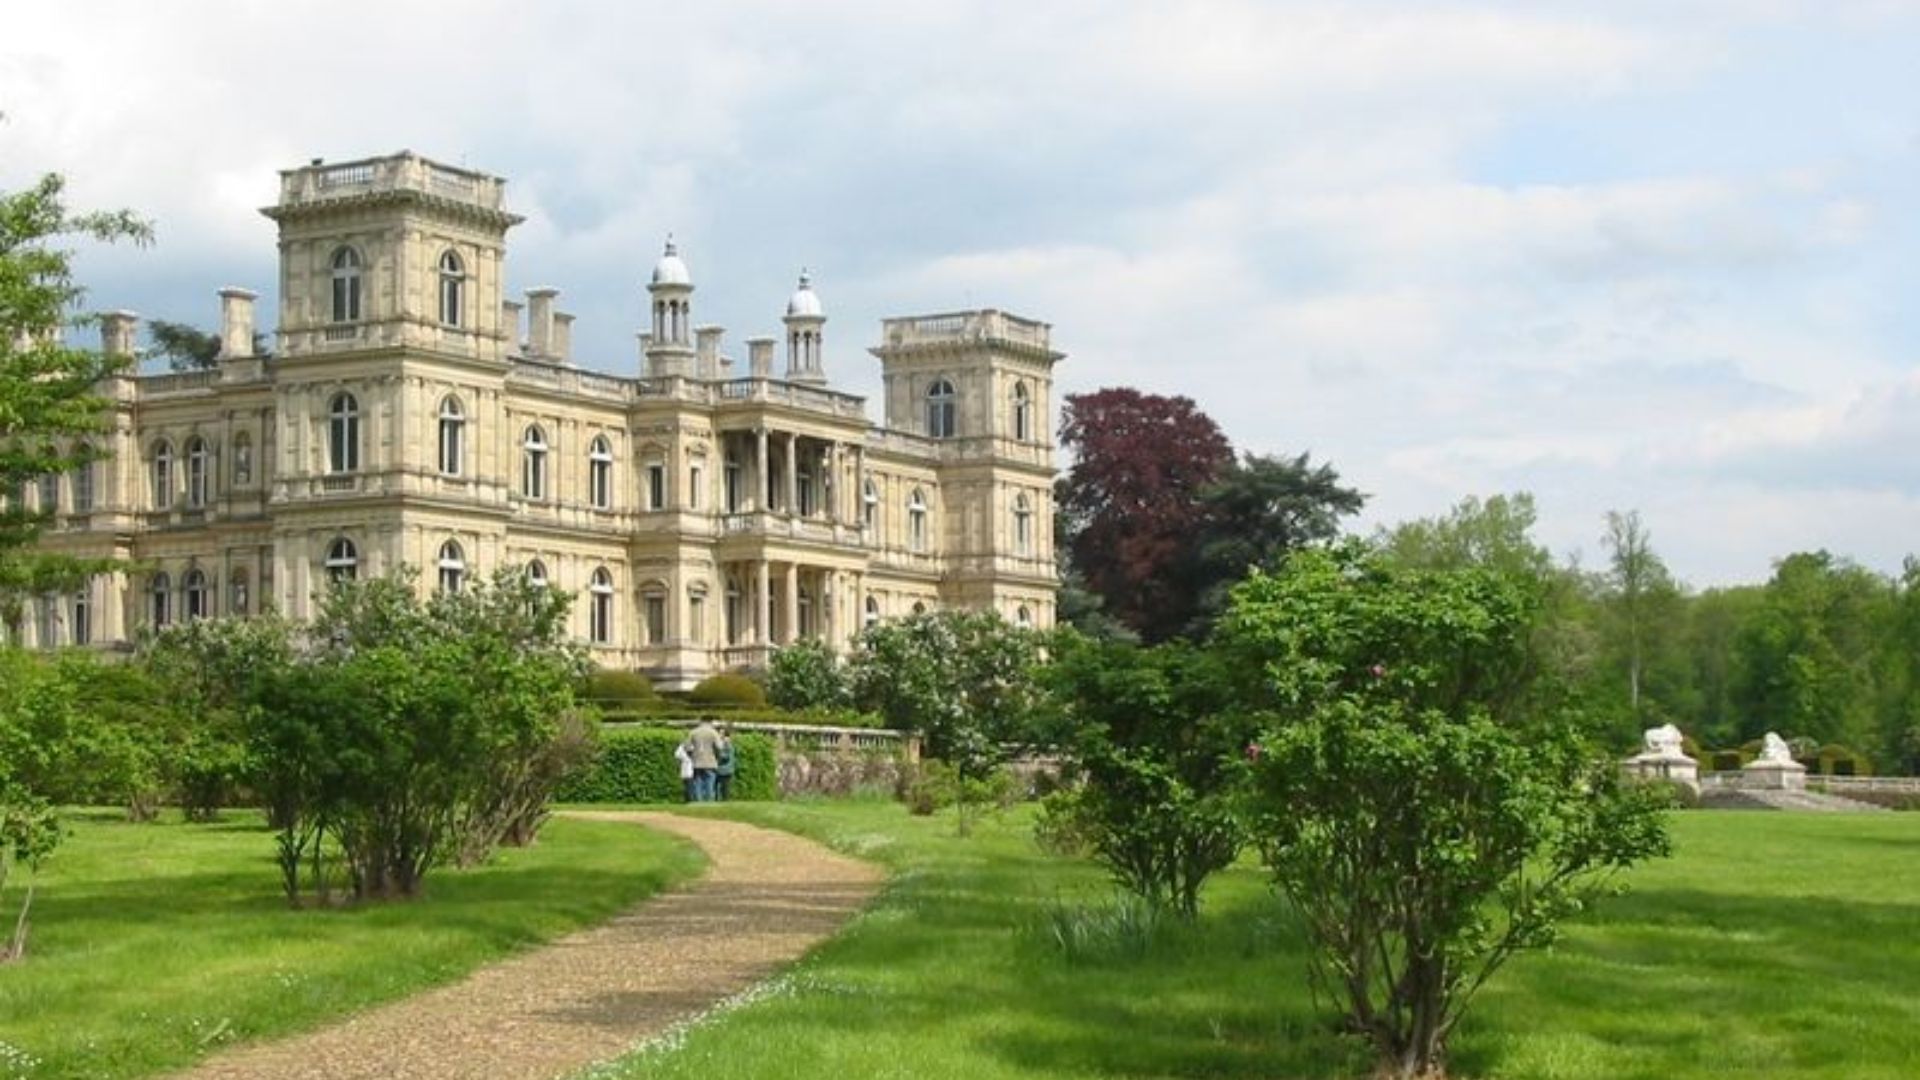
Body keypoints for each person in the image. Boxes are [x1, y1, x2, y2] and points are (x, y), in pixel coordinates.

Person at [685, 718, 722, 802]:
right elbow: (719, 747)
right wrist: (717, 756)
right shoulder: (713, 732)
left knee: (697, 782)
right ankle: (709, 801)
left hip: (697, 761)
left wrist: (692, 756)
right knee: (709, 782)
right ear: (710, 722)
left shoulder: (693, 732)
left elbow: (687, 747)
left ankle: (698, 801)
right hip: (710, 761)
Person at [714, 725, 736, 802]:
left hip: (725, 770)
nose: (719, 735)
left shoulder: (727, 743)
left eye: (721, 733)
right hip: (719, 769)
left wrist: (717, 754)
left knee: (725, 789)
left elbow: (726, 757)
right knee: (715, 788)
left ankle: (725, 801)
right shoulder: (721, 743)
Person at [674, 738, 696, 803]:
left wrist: (682, 745)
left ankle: (689, 800)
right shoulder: (686, 756)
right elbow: (676, 754)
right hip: (687, 774)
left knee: (689, 789)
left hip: (688, 774)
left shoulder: (685, 757)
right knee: (688, 789)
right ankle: (689, 800)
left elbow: (676, 754)